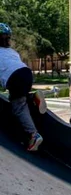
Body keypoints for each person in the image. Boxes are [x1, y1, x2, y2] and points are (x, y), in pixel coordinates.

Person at [0, 23, 46, 151]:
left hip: (14, 78)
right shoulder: (12, 51)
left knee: (18, 107)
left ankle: (33, 135)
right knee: (21, 97)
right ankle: (33, 98)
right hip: (26, 73)